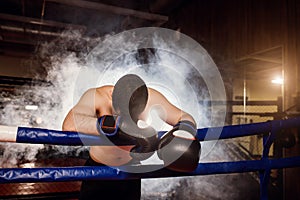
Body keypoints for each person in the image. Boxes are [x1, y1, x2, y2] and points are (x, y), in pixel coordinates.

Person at [62, 74, 200, 200]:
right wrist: (114, 126)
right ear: (112, 98)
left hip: (131, 172)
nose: (130, 119)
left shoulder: (151, 98)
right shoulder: (97, 96)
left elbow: (183, 116)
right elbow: (69, 124)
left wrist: (184, 131)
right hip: (99, 172)